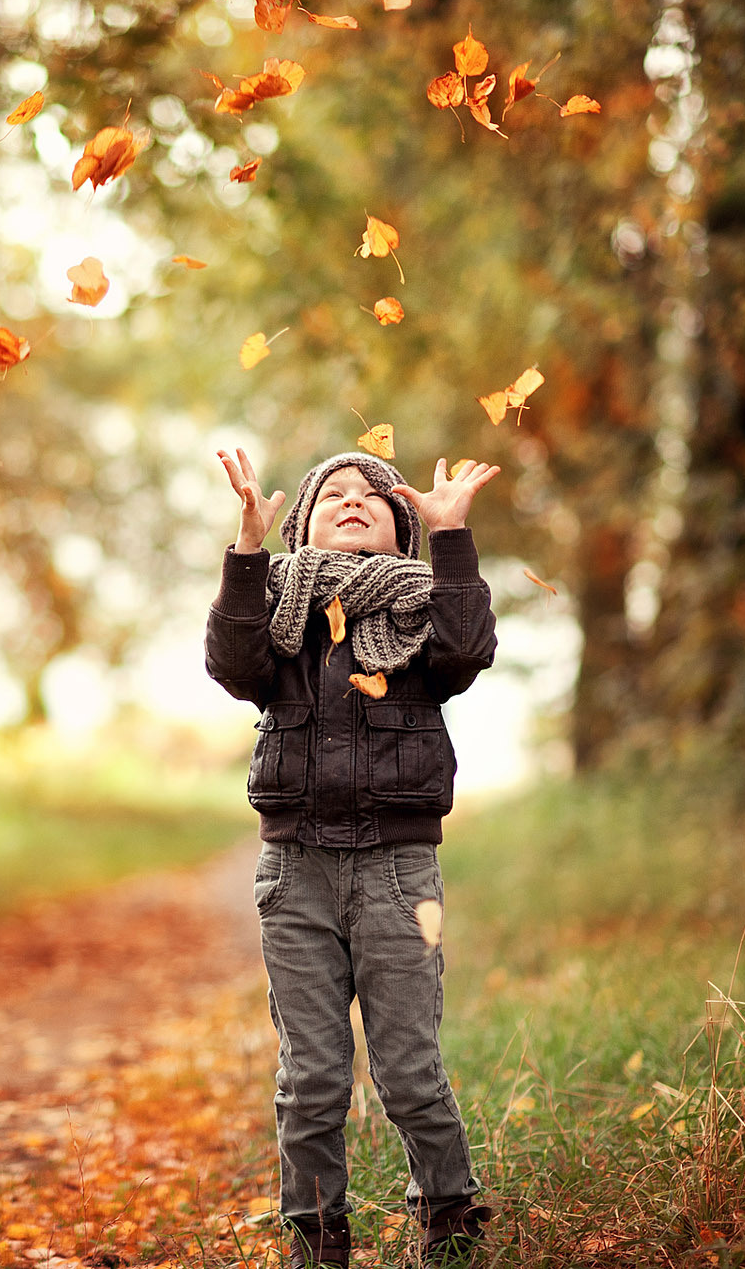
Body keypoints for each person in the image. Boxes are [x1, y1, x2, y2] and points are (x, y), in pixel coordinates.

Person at [206, 446, 501, 1269]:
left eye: (373, 495)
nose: (352, 499)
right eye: (332, 493)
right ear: (302, 523)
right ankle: (314, 1237)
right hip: (294, 871)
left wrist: (452, 540)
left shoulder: (422, 614)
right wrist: (246, 550)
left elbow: (469, 647)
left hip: (399, 875)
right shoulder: (278, 614)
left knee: (408, 1066)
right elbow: (230, 665)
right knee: (312, 1078)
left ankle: (447, 1219)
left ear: (400, 528)